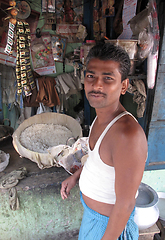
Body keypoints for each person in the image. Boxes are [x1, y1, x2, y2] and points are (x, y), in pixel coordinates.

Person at [60, 41, 148, 240]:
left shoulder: (127, 136)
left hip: (110, 228)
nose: (97, 85)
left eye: (108, 78)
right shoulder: (101, 118)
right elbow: (98, 161)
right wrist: (76, 176)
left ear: (124, 85)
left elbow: (125, 205)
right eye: (91, 76)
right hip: (93, 219)